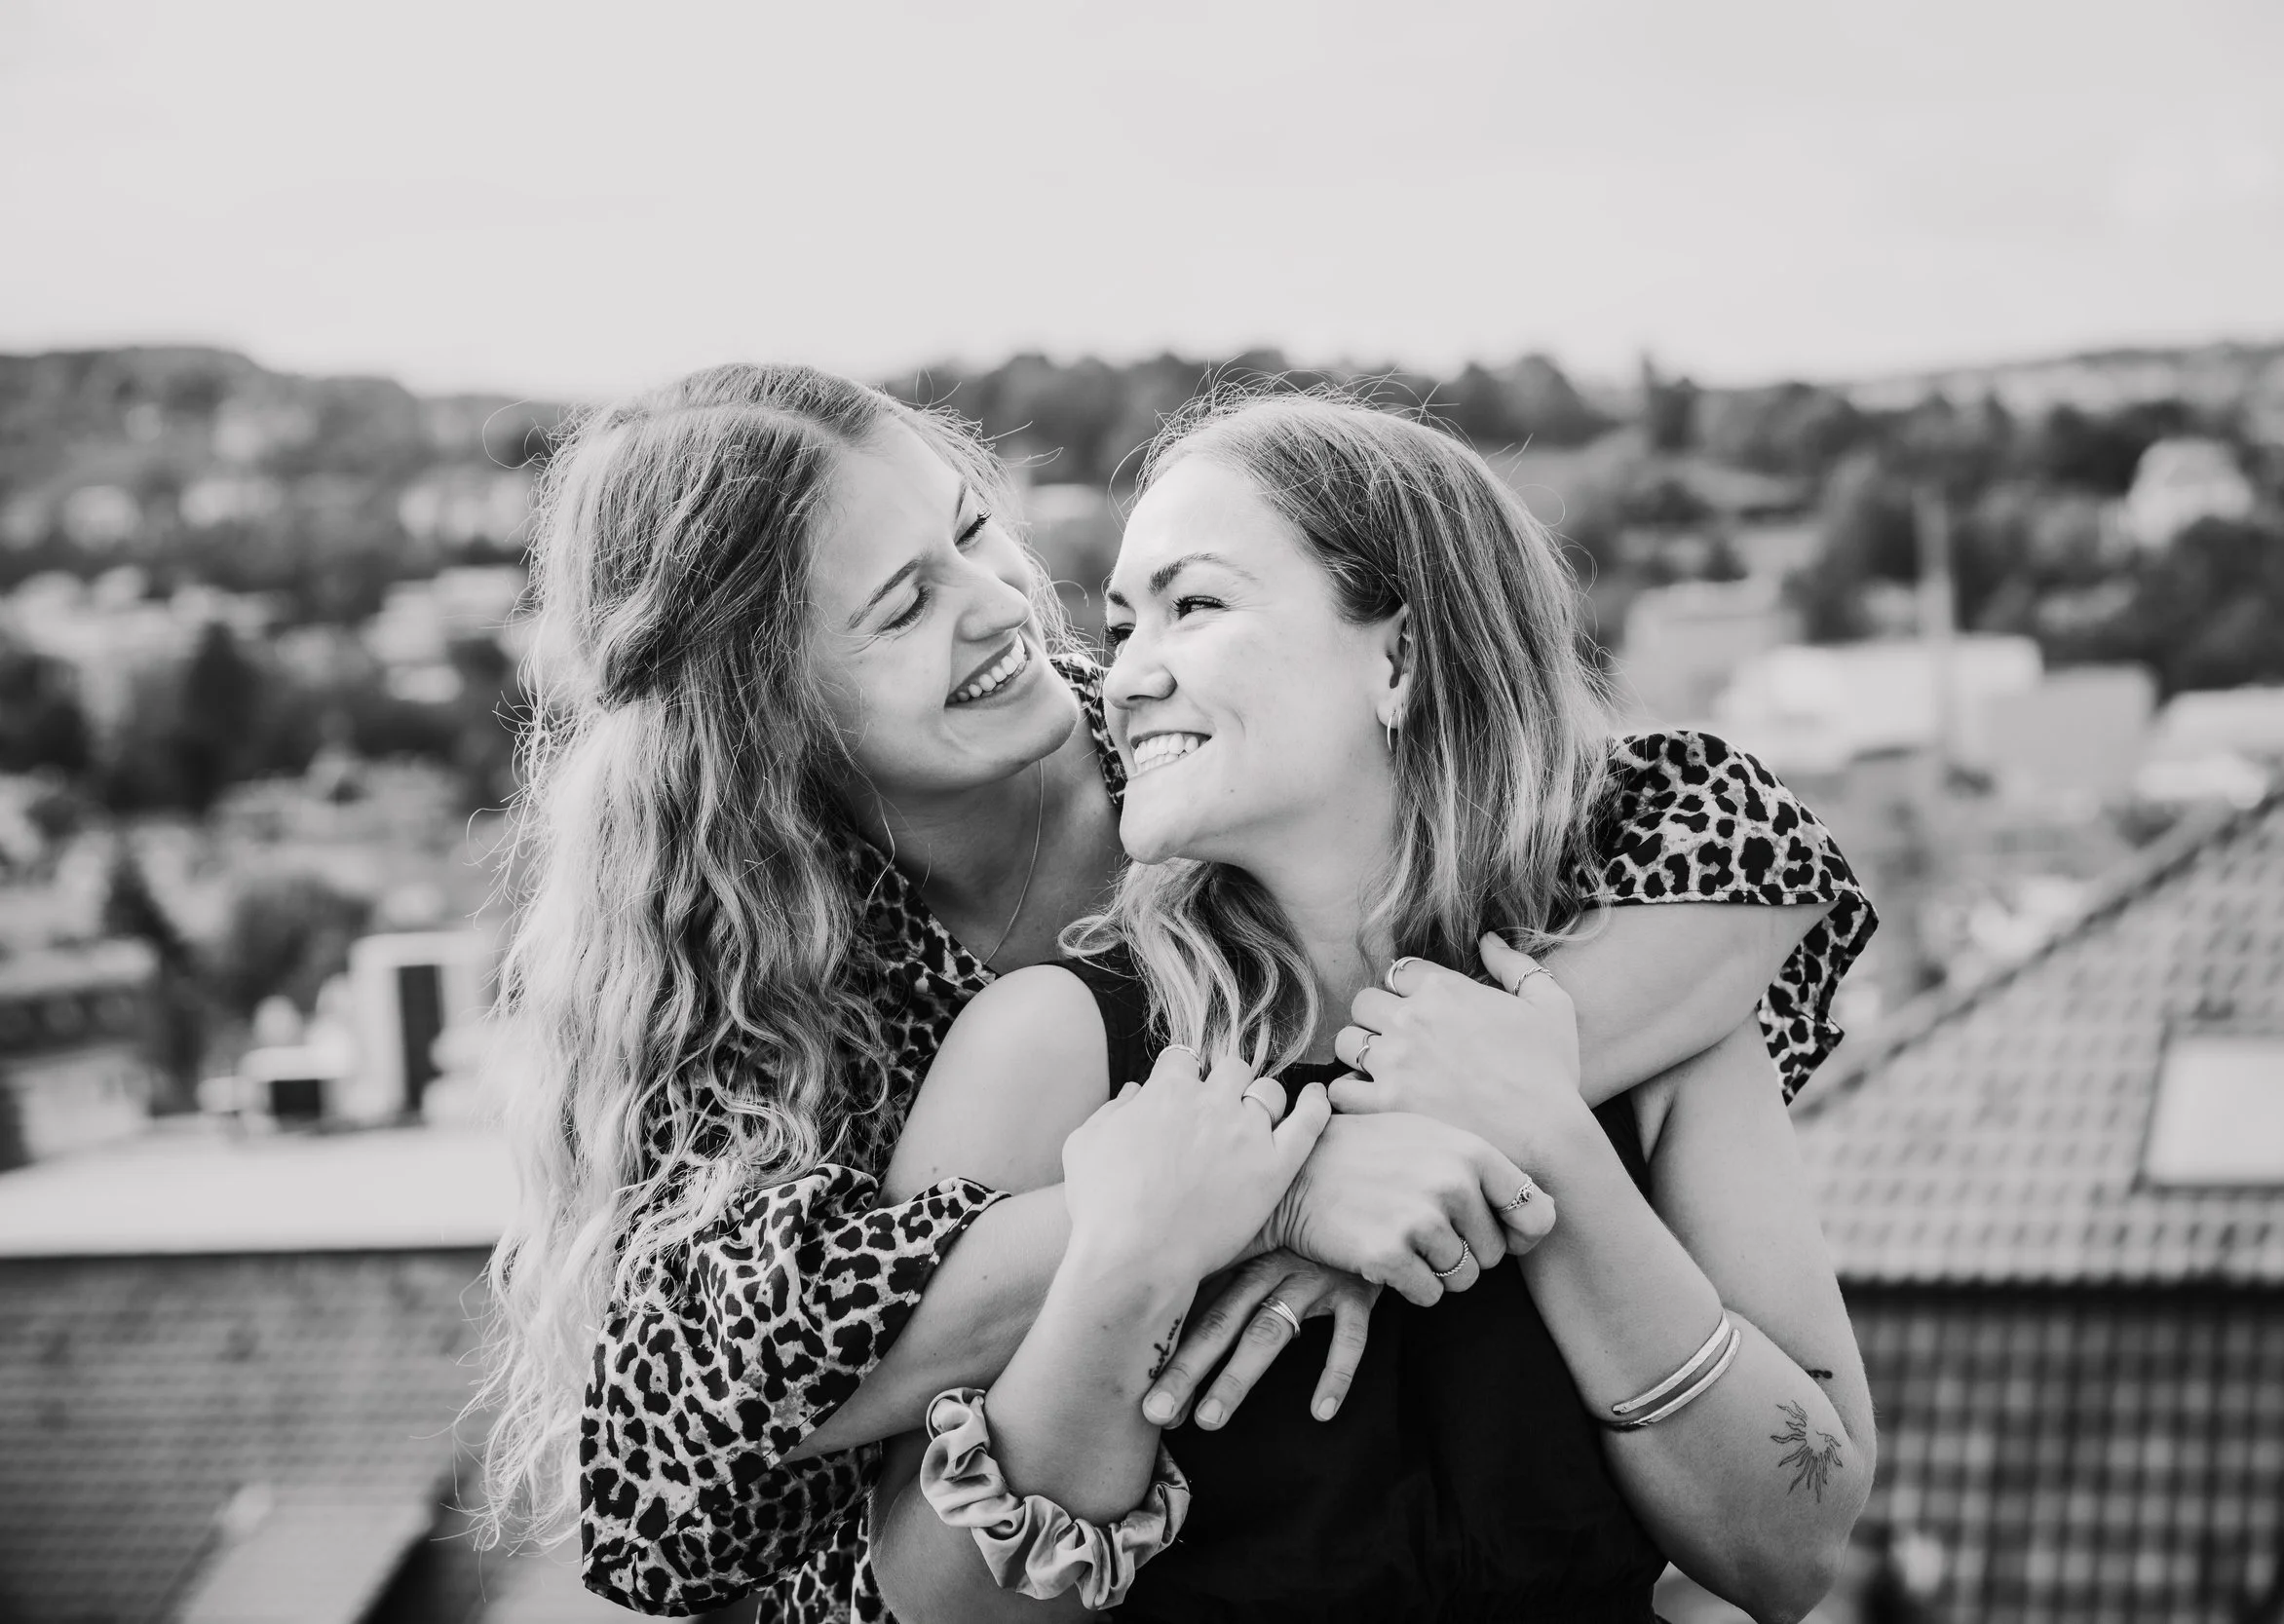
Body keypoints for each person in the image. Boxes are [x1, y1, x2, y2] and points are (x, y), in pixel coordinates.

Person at [476, 364, 1874, 1622]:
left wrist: (1480, 1111)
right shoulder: (797, 996)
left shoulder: (1204, 751)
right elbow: (675, 1438)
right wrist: (1266, 1187)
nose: (1007, 607)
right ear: (766, 714)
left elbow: (1741, 848)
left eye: (970, 532)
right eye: (904, 603)